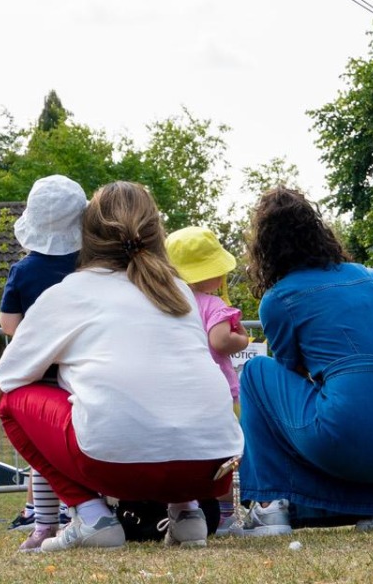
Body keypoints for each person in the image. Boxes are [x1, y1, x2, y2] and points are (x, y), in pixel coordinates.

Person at [0, 181, 242, 552]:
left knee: (12, 401)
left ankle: (91, 516)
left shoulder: (69, 293)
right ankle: (187, 513)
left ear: (87, 232)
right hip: (211, 468)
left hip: (118, 468)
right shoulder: (178, 291)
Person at [229, 187, 373, 537]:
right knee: (341, 423)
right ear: (319, 231)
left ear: (265, 247)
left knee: (255, 373)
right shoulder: (366, 276)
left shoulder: (279, 298)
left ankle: (269, 506)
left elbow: (290, 376)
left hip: (350, 428)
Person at [0, 174, 86, 549]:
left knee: (43, 455)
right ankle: (82, 513)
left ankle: (44, 524)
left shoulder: (23, 270)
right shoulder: (87, 267)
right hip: (83, 367)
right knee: (83, 443)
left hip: (40, 374)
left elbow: (9, 324)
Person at [167, 226, 249, 533]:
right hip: (220, 393)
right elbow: (220, 341)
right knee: (224, 456)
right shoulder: (214, 305)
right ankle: (226, 514)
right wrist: (242, 338)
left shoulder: (168, 305)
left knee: (186, 454)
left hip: (179, 392)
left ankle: (186, 509)